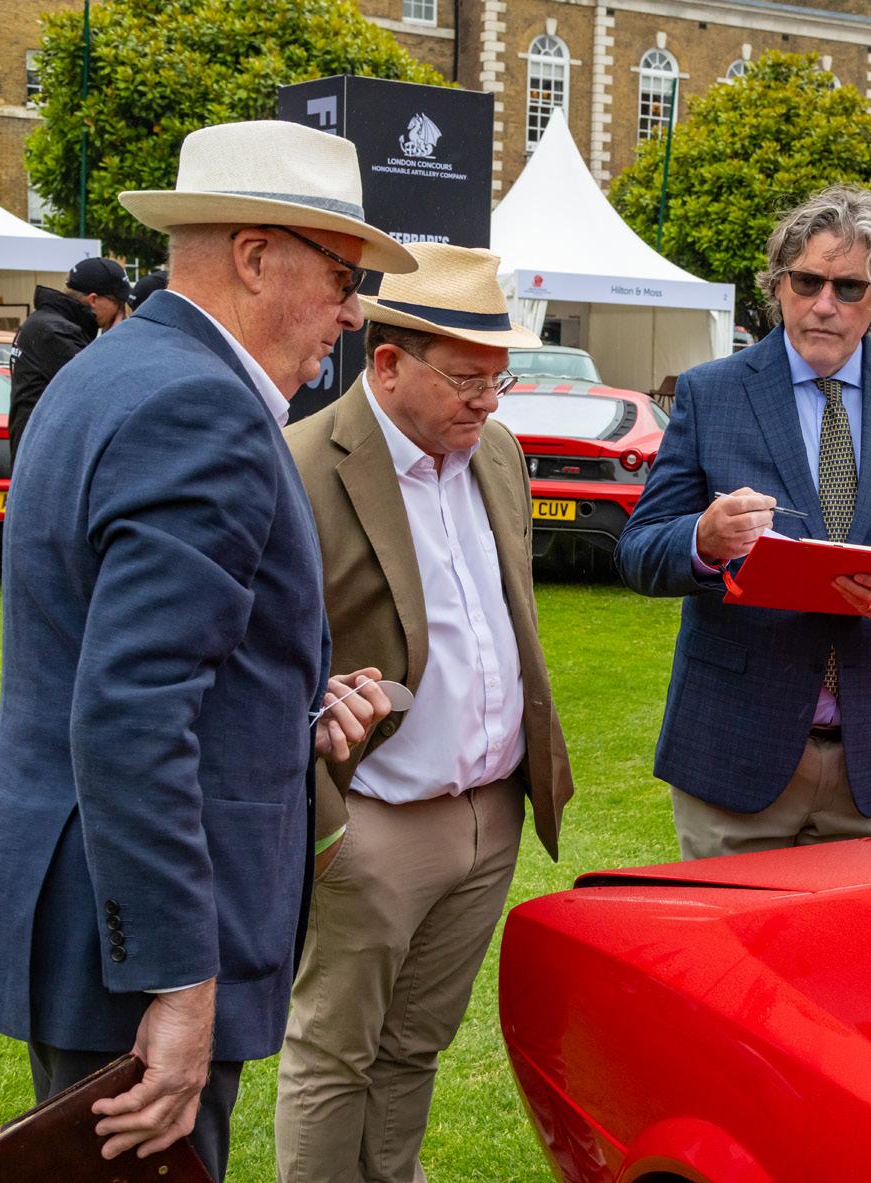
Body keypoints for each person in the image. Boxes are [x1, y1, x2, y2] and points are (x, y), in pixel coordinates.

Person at [0, 119, 419, 1181]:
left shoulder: (116, 370)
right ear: (253, 256)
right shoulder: (201, 406)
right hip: (137, 934)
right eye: (343, 276)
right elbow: (131, 709)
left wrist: (293, 702)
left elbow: (126, 646)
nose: (354, 312)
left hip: (93, 899)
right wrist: (177, 983)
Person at [274, 244, 575, 1183]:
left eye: (499, 379)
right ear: (388, 363)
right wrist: (333, 821)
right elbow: (256, 658)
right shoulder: (300, 463)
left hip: (489, 813)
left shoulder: (496, 451)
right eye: (467, 379)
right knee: (334, 1053)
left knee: (414, 1048)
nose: (488, 403)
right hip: (373, 818)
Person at [615, 185, 871, 860]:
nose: (824, 303)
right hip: (734, 749)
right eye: (807, 281)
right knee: (734, 934)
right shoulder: (712, 391)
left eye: (848, 287)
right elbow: (639, 549)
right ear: (778, 285)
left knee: (859, 932)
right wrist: (702, 541)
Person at [8, 257, 130, 458]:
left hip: (34, 451)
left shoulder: (43, 321)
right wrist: (116, 339)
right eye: (118, 304)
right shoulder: (57, 332)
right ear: (93, 299)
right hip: (45, 455)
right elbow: (103, 391)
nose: (122, 314)